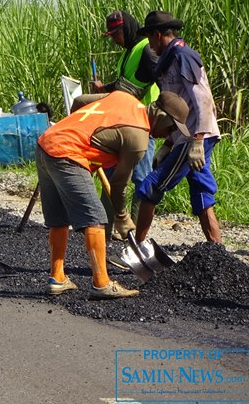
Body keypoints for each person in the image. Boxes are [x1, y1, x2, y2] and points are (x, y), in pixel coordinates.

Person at [36, 90, 190, 299]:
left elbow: (80, 101)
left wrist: (74, 128)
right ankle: (101, 283)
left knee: (59, 219)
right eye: (171, 127)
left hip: (47, 143)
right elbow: (118, 185)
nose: (169, 134)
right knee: (96, 218)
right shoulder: (138, 139)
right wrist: (122, 217)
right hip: (68, 155)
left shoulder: (124, 98)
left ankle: (57, 278)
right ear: (162, 116)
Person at [135, 11, 222, 244]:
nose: (150, 45)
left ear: (158, 34)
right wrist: (168, 143)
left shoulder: (183, 56)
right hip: (186, 136)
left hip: (195, 135)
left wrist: (196, 140)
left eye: (150, 38)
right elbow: (177, 108)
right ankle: (217, 250)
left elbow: (202, 99)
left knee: (152, 186)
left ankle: (136, 247)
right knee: (201, 191)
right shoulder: (168, 60)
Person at [91, 10, 160, 237]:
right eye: (110, 35)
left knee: (141, 178)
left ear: (126, 28)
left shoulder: (146, 50)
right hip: (121, 124)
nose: (113, 39)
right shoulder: (127, 53)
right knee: (110, 176)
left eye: (115, 34)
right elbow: (126, 82)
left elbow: (156, 80)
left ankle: (138, 235)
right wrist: (105, 89)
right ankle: (105, 228)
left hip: (141, 124)